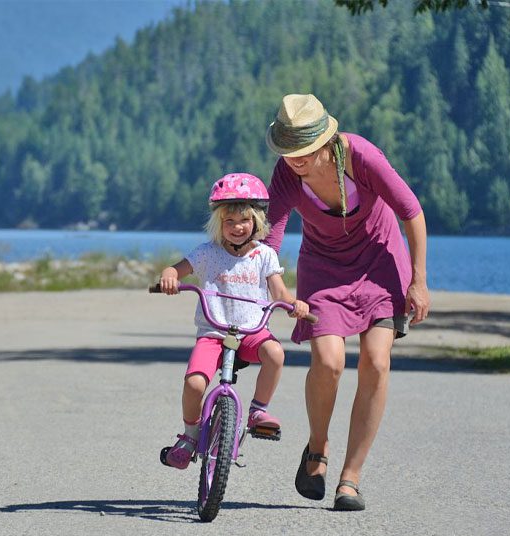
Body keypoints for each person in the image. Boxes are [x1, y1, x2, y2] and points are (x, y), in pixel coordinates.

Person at [263, 94, 430, 510]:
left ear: (325, 140)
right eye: (289, 151)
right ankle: (317, 449)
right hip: (323, 266)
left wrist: (419, 281)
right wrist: (272, 288)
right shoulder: (286, 175)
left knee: (375, 360)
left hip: (380, 260)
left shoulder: (361, 157)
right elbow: (270, 236)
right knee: (329, 360)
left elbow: (411, 212)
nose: (295, 160)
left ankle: (350, 477)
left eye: (302, 151)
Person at [158, 172, 311, 469]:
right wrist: (169, 276)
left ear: (256, 222)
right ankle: (190, 436)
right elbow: (177, 269)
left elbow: (279, 291)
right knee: (194, 382)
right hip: (214, 332)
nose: (237, 227)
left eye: (244, 220)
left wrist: (295, 305)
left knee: (275, 354)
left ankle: (257, 410)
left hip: (252, 331)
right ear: (218, 224)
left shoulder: (264, 255)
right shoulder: (207, 253)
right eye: (229, 222)